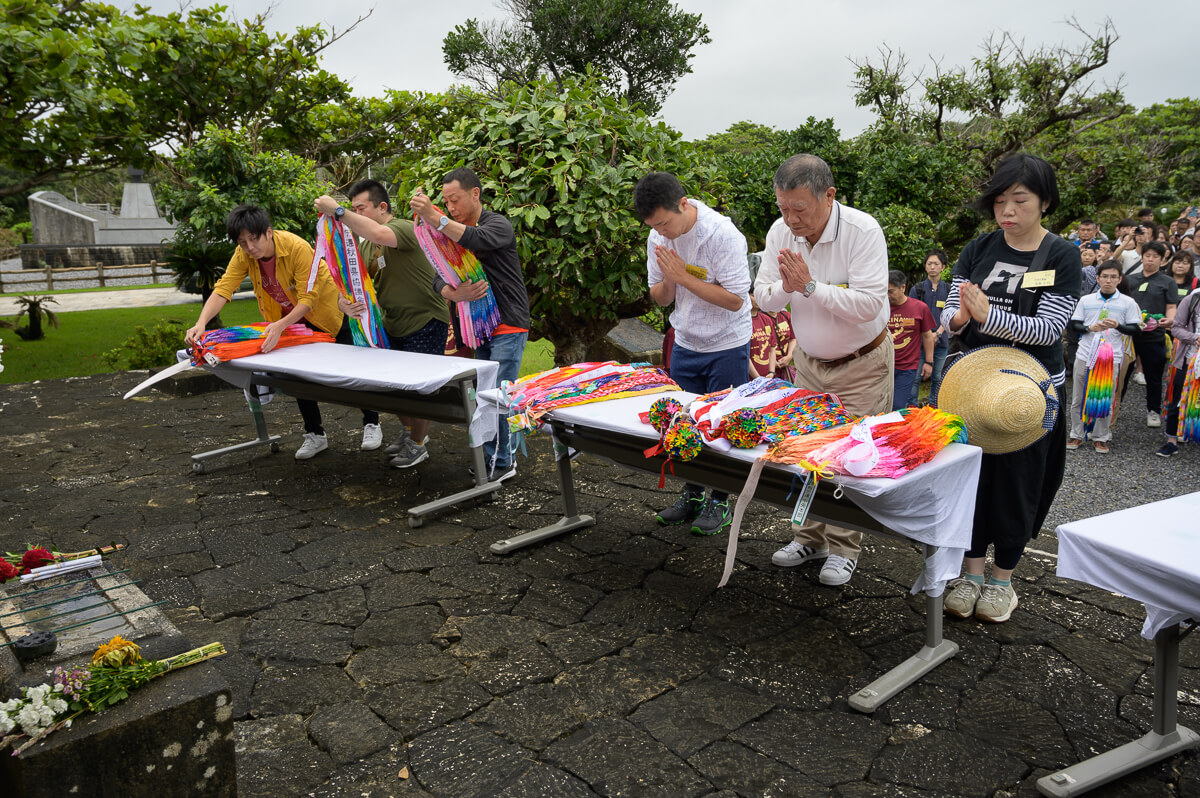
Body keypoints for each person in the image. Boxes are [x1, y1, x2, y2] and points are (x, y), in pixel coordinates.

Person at [938, 153, 1081, 623]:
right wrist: (958, 317)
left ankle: (1003, 582)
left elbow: (1049, 329)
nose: (1008, 211)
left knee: (1020, 487)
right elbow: (951, 313)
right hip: (972, 388)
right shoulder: (979, 248)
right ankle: (972, 573)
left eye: (1020, 199)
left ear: (1045, 202)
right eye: (1000, 201)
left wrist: (985, 316)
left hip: (1029, 395)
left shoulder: (1060, 254)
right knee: (974, 483)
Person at [755, 154, 892, 587]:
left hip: (861, 364)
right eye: (782, 208)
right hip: (809, 364)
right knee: (806, 450)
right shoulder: (780, 232)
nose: (790, 219)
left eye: (800, 209)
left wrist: (811, 288)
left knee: (851, 457)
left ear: (828, 196)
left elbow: (870, 304)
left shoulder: (862, 231)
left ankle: (843, 548)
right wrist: (789, 287)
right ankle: (808, 537)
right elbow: (763, 297)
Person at [184, 205, 379, 460]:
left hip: (328, 314)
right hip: (289, 322)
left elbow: (308, 299)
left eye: (253, 239)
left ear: (268, 232)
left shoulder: (296, 247)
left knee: (355, 370)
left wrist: (279, 326)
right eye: (242, 242)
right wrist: (201, 323)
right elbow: (224, 288)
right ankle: (315, 434)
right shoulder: (244, 254)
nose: (249, 248)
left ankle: (371, 423)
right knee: (296, 375)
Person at [634, 171, 752, 536]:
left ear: (683, 204)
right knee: (682, 422)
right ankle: (693, 492)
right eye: (654, 225)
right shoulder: (658, 235)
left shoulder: (723, 236)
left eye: (665, 222)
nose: (662, 231)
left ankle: (720, 500)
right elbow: (660, 297)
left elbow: (736, 300)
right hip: (685, 340)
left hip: (726, 344)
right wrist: (671, 277)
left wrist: (684, 276)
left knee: (721, 424)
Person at [314, 180, 451, 468]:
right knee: (393, 389)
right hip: (390, 325)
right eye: (352, 209)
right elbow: (354, 287)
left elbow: (376, 231)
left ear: (382, 207)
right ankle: (409, 432)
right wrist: (344, 304)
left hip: (425, 320)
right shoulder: (365, 248)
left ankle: (418, 444)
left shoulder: (402, 228)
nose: (354, 214)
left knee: (418, 388)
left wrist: (336, 211)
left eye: (360, 208)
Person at [411, 168, 530, 480]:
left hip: (508, 323)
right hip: (476, 328)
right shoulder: (451, 234)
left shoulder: (497, 224)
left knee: (497, 395)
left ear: (475, 194)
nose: (451, 207)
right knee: (485, 393)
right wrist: (453, 291)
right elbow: (438, 272)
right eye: (446, 202)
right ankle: (494, 458)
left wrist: (436, 219)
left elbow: (476, 239)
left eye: (455, 200)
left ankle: (502, 463)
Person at [1066, 261, 1142, 453]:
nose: (1108, 281)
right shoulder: (1086, 300)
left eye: (1113, 277)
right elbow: (1074, 324)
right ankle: (1076, 434)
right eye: (1105, 277)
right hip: (1085, 353)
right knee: (1078, 396)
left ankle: (1101, 437)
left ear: (1120, 279)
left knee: (1105, 397)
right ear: (1098, 278)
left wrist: (1118, 325)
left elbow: (1135, 328)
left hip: (1111, 357)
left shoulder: (1128, 302)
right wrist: (1088, 328)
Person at [1123, 241, 1178, 428]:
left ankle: (1153, 410)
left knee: (1154, 376)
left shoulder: (1167, 282)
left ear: (1162, 260)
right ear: (1142, 257)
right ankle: (1113, 408)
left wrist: (1169, 320)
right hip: (1129, 334)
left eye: (1155, 256)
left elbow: (1171, 306)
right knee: (1121, 375)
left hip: (1154, 334)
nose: (1151, 259)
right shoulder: (1129, 279)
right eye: (1148, 256)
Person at [1157, 284, 1200, 457]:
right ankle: (1171, 441)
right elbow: (1176, 328)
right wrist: (1194, 338)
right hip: (1188, 360)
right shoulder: (1192, 299)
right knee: (1178, 399)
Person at [886, 270, 936, 409]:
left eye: (891, 291)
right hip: (883, 366)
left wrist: (929, 362)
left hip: (907, 367)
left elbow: (927, 336)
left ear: (903, 287)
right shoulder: (881, 308)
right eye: (884, 291)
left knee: (897, 405)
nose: (887, 296)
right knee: (881, 406)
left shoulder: (920, 308)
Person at [908, 248, 951, 402]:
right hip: (918, 342)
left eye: (936, 264)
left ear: (943, 267)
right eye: (929, 264)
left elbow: (951, 314)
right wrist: (926, 335)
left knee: (938, 377)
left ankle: (934, 405)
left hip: (941, 341)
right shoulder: (917, 289)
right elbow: (911, 315)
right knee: (915, 377)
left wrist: (938, 333)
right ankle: (910, 408)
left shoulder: (949, 290)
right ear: (925, 266)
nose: (932, 267)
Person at [748, 295, 797, 381]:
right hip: (758, 372)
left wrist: (789, 356)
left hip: (779, 369)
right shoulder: (758, 319)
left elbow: (792, 339)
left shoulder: (785, 316)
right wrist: (772, 365)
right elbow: (745, 353)